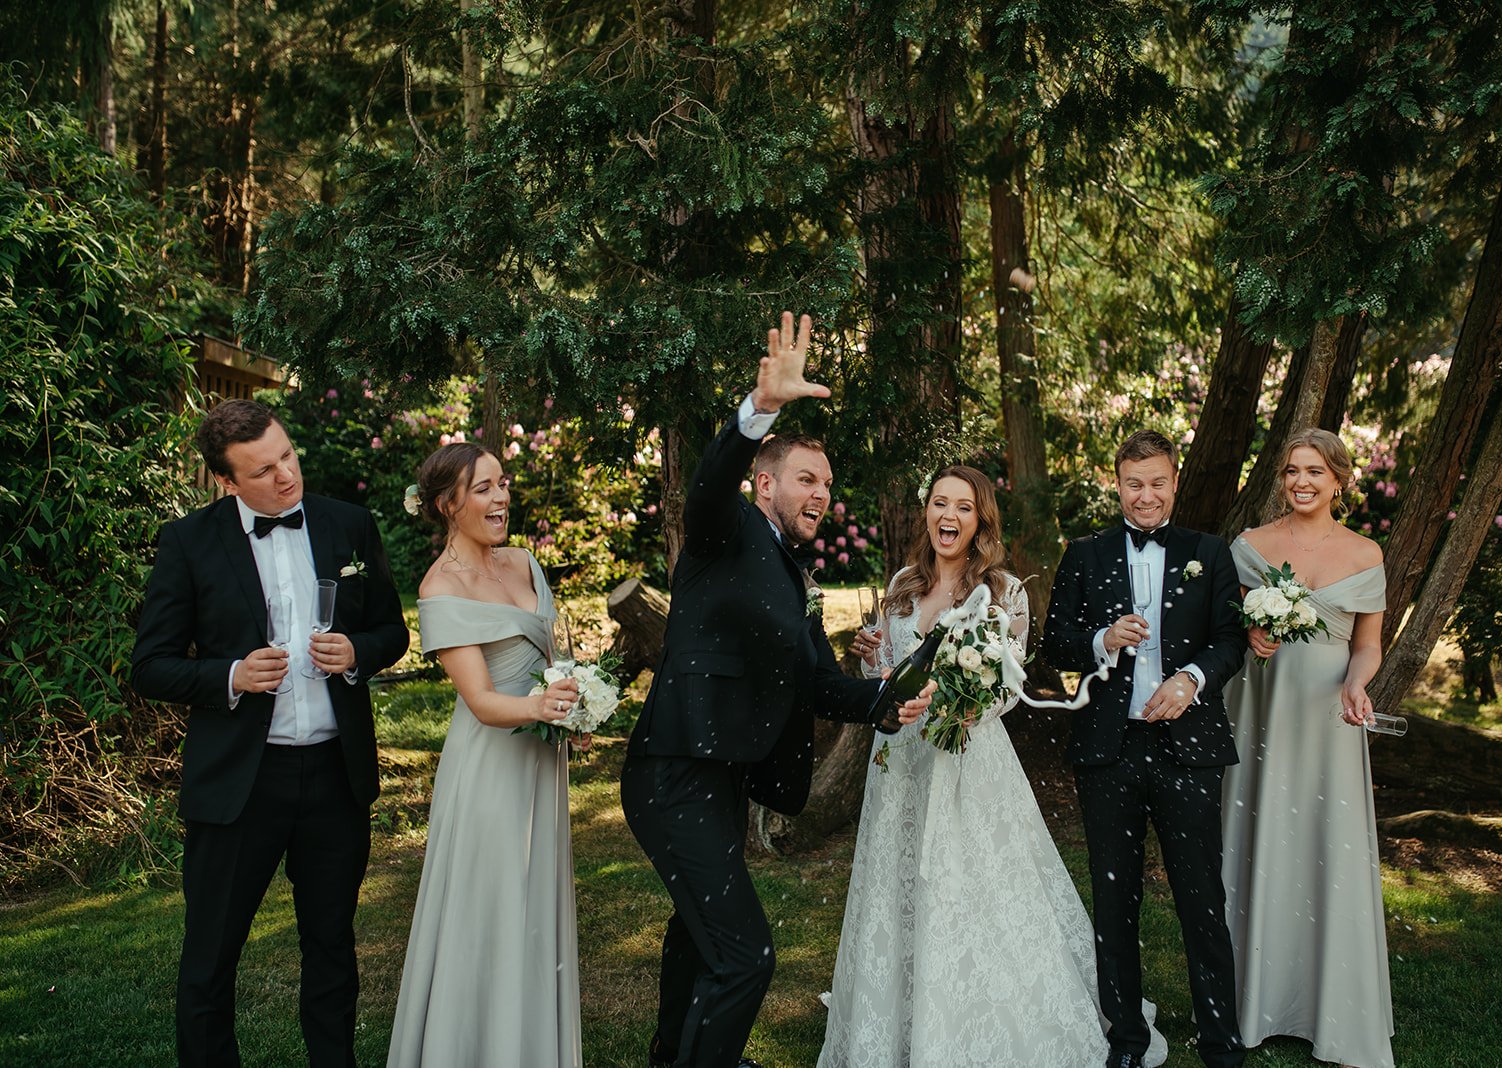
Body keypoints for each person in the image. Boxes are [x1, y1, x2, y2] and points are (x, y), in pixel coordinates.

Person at [622, 312, 933, 1068]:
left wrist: (886, 700)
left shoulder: (794, 576)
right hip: (675, 769)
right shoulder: (724, 529)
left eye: (826, 484)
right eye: (806, 479)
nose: (822, 494)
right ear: (764, 484)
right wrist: (759, 409)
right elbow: (707, 485)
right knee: (746, 957)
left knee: (698, 934)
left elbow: (818, 683)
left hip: (724, 777)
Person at [819, 466, 1168, 1067]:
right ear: (927, 511)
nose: (948, 516)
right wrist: (873, 659)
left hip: (968, 761)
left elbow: (1008, 690)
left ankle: (975, 1013)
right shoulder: (902, 585)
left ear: (980, 519)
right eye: (939, 503)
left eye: (963, 507)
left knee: (974, 887)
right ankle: (899, 1011)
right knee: (899, 884)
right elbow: (887, 677)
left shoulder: (1004, 592)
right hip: (900, 761)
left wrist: (961, 706)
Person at [131, 398, 409, 1068]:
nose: (286, 475)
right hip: (240, 784)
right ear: (226, 482)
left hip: (335, 777)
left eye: (287, 455)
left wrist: (358, 652)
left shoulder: (350, 524)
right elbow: (151, 665)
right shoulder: (188, 542)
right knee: (210, 957)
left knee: (332, 948)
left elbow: (393, 631)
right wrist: (231, 674)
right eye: (262, 470)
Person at [1042, 429, 1249, 1068]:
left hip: (1189, 748)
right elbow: (1055, 642)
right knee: (1114, 898)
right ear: (1118, 484)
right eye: (1134, 484)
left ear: (1175, 482)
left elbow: (1231, 640)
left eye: (1158, 482)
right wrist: (1102, 639)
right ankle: (1126, 1039)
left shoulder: (1208, 552)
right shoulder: (1085, 554)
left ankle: (1220, 1043)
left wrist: (1192, 679)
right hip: (1109, 749)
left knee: (1201, 898)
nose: (1146, 496)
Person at [386, 443, 584, 1067]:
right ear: (449, 504)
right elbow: (480, 702)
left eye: (503, 484)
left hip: (541, 760)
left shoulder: (524, 562)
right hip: (489, 770)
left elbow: (553, 660)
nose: (501, 498)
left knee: (535, 907)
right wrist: (543, 707)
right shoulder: (440, 587)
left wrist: (576, 710)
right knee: (490, 909)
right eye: (484, 489)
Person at [1220, 428, 1392, 1068]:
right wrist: (1250, 635)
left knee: (1328, 845)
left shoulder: (1366, 553)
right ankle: (1252, 1005)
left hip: (1329, 717)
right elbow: (1227, 627)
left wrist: (1356, 683)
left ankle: (1333, 1012)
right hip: (1262, 710)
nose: (1301, 482)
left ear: (1338, 480)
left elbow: (1367, 645)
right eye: (1293, 470)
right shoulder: (1250, 547)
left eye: (1315, 471)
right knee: (1260, 838)